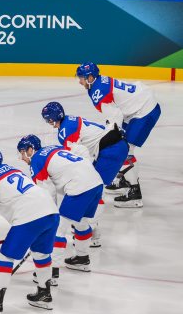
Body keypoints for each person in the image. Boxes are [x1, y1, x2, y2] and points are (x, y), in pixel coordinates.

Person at [0, 148, 60, 314]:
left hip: (29, 216)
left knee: (5, 257)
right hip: (51, 212)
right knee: (41, 254)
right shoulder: (14, 170)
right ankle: (44, 294)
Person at [41, 100, 130, 243]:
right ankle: (88, 227)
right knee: (93, 186)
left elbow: (80, 154)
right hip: (113, 146)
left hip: (112, 150)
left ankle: (92, 231)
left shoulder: (65, 131)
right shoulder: (69, 120)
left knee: (96, 188)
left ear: (51, 119)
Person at [76, 62, 161, 208]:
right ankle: (125, 180)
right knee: (122, 147)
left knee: (124, 151)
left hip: (144, 110)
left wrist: (114, 133)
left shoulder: (98, 90)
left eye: (82, 78)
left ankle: (135, 193)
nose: (80, 81)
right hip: (138, 104)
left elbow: (115, 116)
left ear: (90, 77)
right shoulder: (98, 83)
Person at [18, 134, 103, 274]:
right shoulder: (54, 148)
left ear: (30, 149)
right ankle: (82, 258)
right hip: (96, 182)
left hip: (79, 187)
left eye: (22, 153)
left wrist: (50, 216)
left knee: (57, 230)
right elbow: (80, 149)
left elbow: (48, 192)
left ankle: (52, 272)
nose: (22, 158)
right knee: (81, 222)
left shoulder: (37, 161)